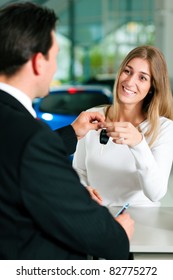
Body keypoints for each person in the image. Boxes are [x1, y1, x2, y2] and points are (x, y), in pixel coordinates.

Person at [0, 2, 134, 260]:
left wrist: (72, 132)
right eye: (56, 56)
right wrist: (118, 233)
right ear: (39, 62)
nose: (54, 68)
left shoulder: (17, 127)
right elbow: (96, 234)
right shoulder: (32, 137)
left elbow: (15, 158)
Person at [73, 45, 173, 207]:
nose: (130, 81)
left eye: (142, 78)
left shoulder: (164, 128)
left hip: (141, 222)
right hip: (96, 217)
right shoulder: (93, 116)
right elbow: (79, 170)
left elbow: (156, 194)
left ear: (152, 88)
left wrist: (138, 144)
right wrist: (83, 189)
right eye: (127, 71)